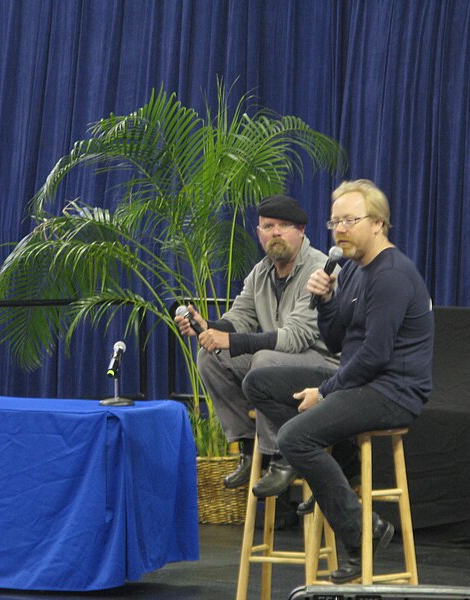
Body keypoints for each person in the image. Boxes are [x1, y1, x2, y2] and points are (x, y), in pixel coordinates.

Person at [243, 179, 434, 583]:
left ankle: (361, 532)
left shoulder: (392, 275)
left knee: (295, 437)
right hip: (360, 380)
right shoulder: (352, 272)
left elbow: (376, 356)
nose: (340, 229)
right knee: (259, 382)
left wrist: (325, 392)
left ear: (378, 223)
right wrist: (326, 301)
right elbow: (335, 341)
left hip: (391, 390)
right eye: (335, 222)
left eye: (350, 220)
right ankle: (336, 464)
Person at [175, 194, 340, 493]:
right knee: (209, 357)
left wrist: (233, 340)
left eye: (284, 225)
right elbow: (238, 319)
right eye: (268, 225)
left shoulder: (321, 268)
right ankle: (250, 451)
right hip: (277, 363)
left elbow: (298, 336)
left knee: (263, 361)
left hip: (323, 367)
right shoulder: (260, 272)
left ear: (301, 231)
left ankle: (281, 455)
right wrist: (207, 326)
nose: (276, 232)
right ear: (259, 233)